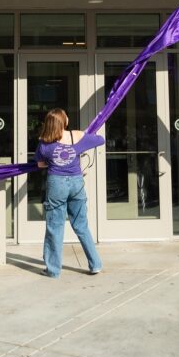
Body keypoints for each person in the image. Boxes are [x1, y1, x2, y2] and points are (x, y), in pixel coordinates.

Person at [35, 108, 103, 278]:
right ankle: (95, 264)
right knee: (81, 226)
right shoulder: (76, 136)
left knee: (55, 227)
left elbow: (40, 164)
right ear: (64, 121)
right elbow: (100, 140)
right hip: (76, 183)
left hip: (56, 184)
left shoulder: (44, 142)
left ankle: (53, 270)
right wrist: (83, 137)